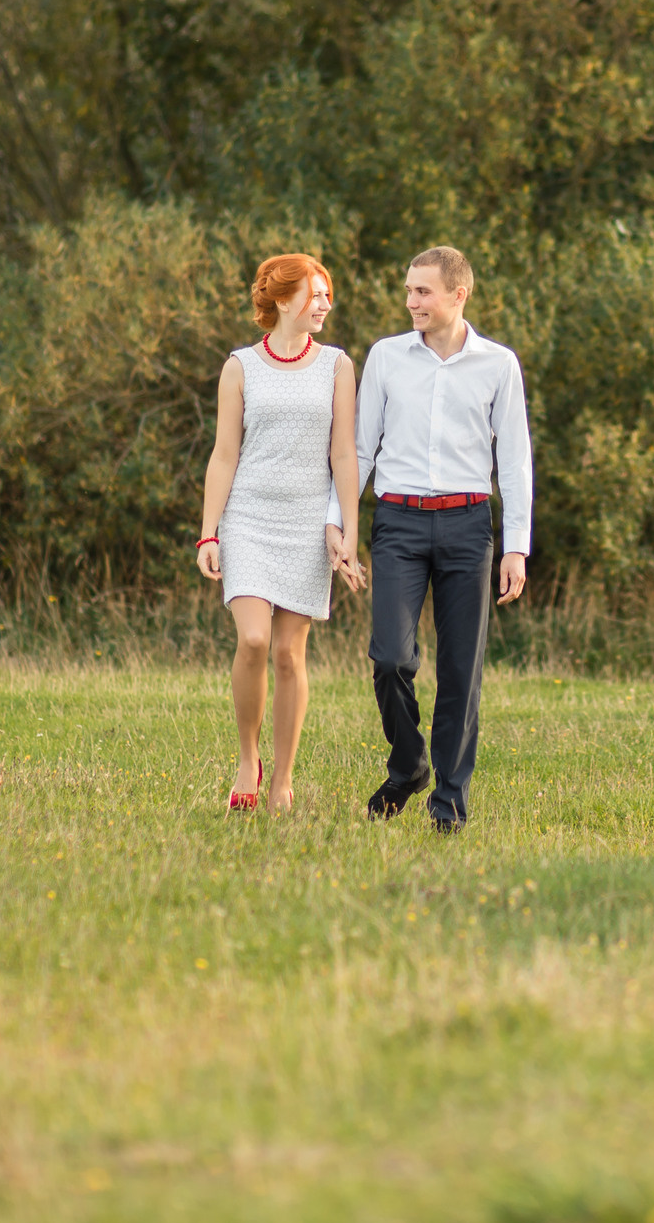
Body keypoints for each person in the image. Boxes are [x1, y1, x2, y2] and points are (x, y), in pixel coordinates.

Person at [353, 245, 532, 832]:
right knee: (389, 658)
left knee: (461, 672)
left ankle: (448, 805)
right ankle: (409, 764)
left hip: (468, 525)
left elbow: (515, 459)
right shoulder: (385, 357)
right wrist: (341, 524)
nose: (411, 302)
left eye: (422, 292)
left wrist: (515, 546)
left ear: (459, 294)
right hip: (398, 522)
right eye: (408, 291)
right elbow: (359, 450)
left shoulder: (498, 365)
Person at [196, 254, 366, 813]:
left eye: (327, 295)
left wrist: (346, 528)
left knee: (291, 655)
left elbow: (344, 453)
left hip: (306, 523)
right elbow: (224, 455)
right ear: (284, 298)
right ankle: (248, 758)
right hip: (247, 516)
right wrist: (209, 533)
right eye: (316, 294)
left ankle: (282, 780)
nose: (325, 304)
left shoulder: (337, 365)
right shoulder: (240, 366)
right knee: (253, 640)